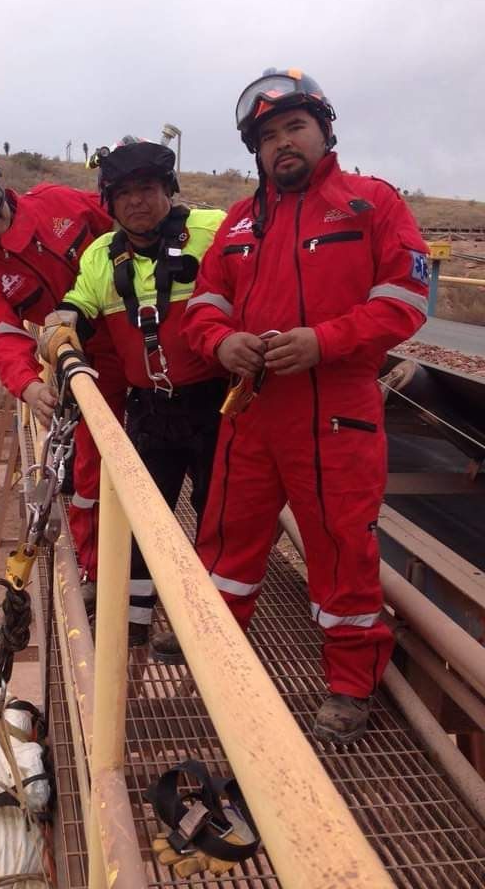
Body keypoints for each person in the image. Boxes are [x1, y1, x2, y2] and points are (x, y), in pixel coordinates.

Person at [182, 69, 429, 744]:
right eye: (267, 136)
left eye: (294, 127)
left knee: (342, 548)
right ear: (255, 151)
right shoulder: (238, 221)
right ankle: (215, 659)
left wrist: (325, 341)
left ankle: (349, 687)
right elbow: (205, 304)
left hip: (336, 413)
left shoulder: (370, 204)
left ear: (324, 130)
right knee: (225, 541)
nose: (282, 143)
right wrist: (221, 341)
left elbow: (407, 300)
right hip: (251, 413)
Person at [39, 140, 227, 658]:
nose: (136, 202)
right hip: (150, 411)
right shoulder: (102, 256)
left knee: (219, 516)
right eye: (123, 194)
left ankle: (208, 625)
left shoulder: (213, 231)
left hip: (217, 405)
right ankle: (135, 623)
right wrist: (60, 334)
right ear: (109, 203)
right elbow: (76, 304)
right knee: (144, 516)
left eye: (147, 189)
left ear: (169, 190)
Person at [0, 144, 124, 579]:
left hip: (142, 345)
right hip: (88, 374)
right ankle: (97, 572)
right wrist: (30, 386)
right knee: (91, 477)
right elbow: (1, 337)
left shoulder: (60, 203)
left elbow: (128, 227)